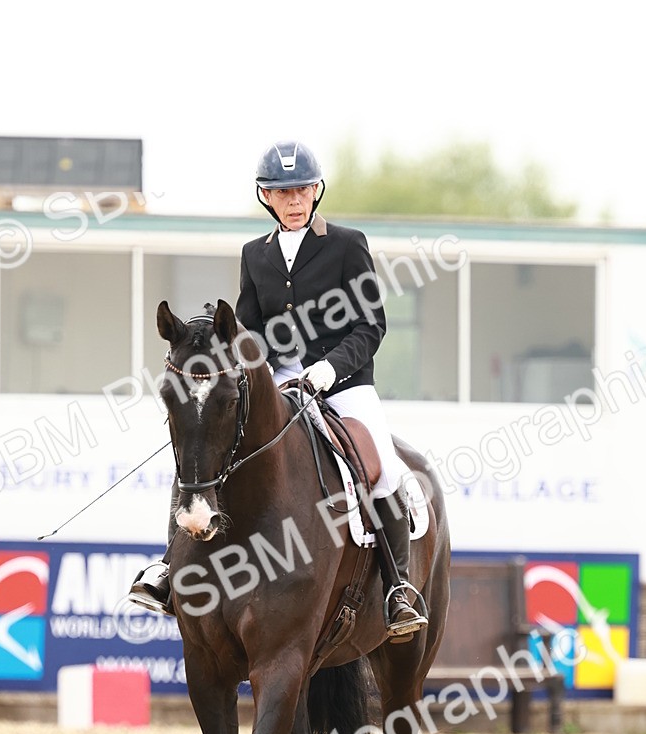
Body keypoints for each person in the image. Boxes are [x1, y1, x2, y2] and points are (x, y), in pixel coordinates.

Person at [129, 139, 428, 638]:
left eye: (302, 190)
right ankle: (168, 569)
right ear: (266, 197)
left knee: (385, 471)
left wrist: (330, 370)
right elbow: (247, 330)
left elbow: (370, 326)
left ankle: (398, 589)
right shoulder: (255, 255)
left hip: (344, 385)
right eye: (282, 192)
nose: (294, 200)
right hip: (280, 384)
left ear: (316, 191)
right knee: (206, 454)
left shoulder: (347, 244)